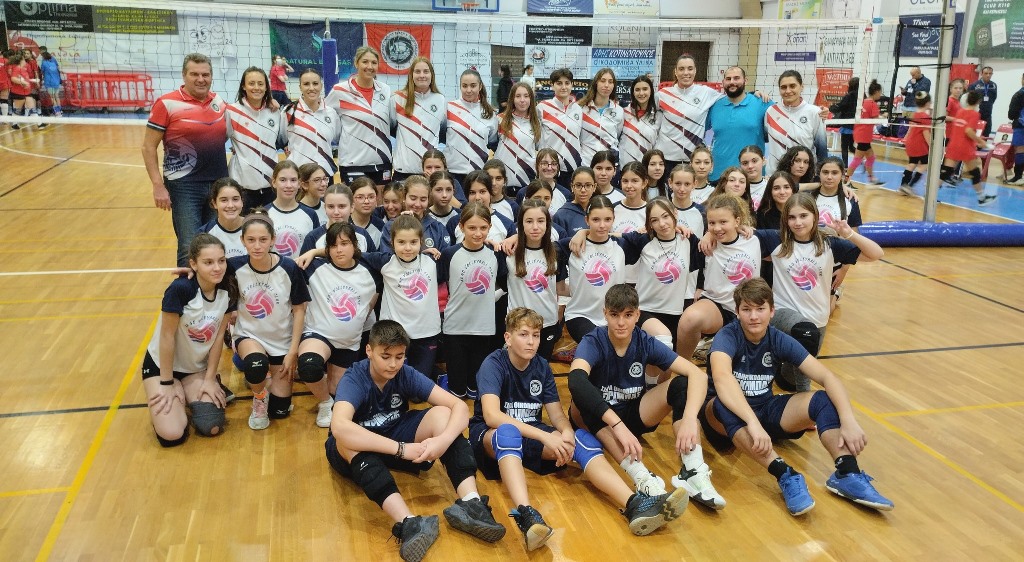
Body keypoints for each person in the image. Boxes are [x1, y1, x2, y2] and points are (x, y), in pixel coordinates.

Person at [703, 278, 894, 516]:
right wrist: (752, 422)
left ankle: (847, 472)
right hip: (722, 420)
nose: (754, 316)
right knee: (722, 404)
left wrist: (848, 420)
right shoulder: (727, 336)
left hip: (764, 409)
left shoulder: (777, 338)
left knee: (822, 399)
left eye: (760, 309)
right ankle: (785, 474)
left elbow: (827, 376)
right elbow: (722, 379)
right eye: (747, 309)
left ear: (772, 311)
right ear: (737, 312)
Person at [324, 320, 506, 562]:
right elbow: (339, 426)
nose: (393, 364)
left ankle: (471, 503)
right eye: (385, 356)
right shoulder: (355, 378)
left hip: (395, 433)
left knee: (443, 415)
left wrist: (442, 441)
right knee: (346, 439)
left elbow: (459, 407)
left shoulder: (405, 373)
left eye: (399, 357)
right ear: (369, 351)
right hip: (360, 448)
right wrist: (400, 449)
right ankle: (408, 523)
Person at [567, 284, 725, 512]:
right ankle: (642, 477)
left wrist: (691, 418)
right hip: (598, 419)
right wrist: (617, 425)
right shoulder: (593, 341)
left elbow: (697, 375)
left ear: (637, 315)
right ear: (605, 314)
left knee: (682, 384)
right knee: (584, 396)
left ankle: (692, 470)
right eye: (614, 315)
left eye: (628, 315)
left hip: (630, 414)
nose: (621, 322)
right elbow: (576, 381)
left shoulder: (644, 341)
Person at [769, 193, 883, 392]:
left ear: (815, 216)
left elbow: (876, 254)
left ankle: (780, 367)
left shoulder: (830, 244)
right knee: (805, 333)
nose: (797, 222)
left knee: (790, 379)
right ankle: (806, 397)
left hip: (817, 318)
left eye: (803, 216)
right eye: (792, 217)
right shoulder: (776, 240)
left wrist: (849, 234)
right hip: (781, 312)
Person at [143, 234, 235, 447]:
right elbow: (166, 337)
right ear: (193, 264)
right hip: (162, 367)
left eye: (221, 261)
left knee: (211, 425)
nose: (217, 268)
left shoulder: (228, 288)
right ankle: (169, 395)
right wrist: (167, 383)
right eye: (208, 262)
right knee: (172, 433)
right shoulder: (181, 289)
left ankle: (189, 390)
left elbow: (218, 338)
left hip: (194, 368)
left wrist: (210, 378)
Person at [143, 53, 229, 267]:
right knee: (189, 245)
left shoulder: (218, 102)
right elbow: (148, 147)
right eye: (194, 74)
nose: (201, 79)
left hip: (218, 184)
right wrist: (158, 186)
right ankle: (187, 288)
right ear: (184, 75)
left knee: (215, 243)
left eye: (205, 75)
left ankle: (213, 287)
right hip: (184, 186)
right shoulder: (166, 103)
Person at [229, 211, 311, 430]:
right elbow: (206, 269)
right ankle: (259, 396)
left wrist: (293, 351)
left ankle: (269, 390)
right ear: (242, 241)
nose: (257, 246)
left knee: (280, 411)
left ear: (273, 240)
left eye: (263, 239)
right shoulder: (234, 267)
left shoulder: (289, 268)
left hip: (281, 340)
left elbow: (299, 310)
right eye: (251, 240)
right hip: (250, 336)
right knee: (255, 365)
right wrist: (189, 271)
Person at [300, 221, 383, 428]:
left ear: (354, 245)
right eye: (333, 245)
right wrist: (313, 252)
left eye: (344, 244)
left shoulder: (371, 270)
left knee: (340, 395)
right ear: (327, 249)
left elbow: (374, 297)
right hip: (318, 334)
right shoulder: (314, 267)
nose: (339, 250)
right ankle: (324, 403)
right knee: (309, 366)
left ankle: (330, 398)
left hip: (349, 342)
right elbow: (282, 267)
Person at [362, 214, 443, 378]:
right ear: (392, 242)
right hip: (394, 334)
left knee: (418, 386)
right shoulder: (385, 262)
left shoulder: (433, 261)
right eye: (401, 242)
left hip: (426, 334)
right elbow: (352, 253)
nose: (407, 248)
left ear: (421, 241)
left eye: (413, 242)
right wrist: (314, 252)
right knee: (392, 380)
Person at [326, 47, 394, 185]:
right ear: (356, 63)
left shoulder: (385, 90)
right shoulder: (339, 91)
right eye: (365, 62)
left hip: (382, 161)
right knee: (356, 198)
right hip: (353, 162)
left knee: (381, 199)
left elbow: (393, 121)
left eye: (374, 63)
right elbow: (323, 114)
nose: (370, 66)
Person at [506, 199, 562, 360]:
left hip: (547, 323)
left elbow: (585, 235)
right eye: (529, 221)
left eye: (541, 221)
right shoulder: (509, 251)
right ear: (521, 224)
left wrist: (581, 233)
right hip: (518, 324)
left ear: (548, 224)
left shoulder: (557, 250)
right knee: (518, 368)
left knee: (541, 368)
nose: (535, 227)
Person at [226, 66, 287, 211]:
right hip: (242, 187)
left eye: (260, 84)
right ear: (243, 86)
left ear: (266, 87)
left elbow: (282, 141)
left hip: (270, 186)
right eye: (251, 83)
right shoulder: (231, 111)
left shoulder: (274, 112)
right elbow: (221, 139)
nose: (256, 87)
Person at [655, 54, 723, 170]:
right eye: (681, 69)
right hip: (666, 159)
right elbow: (644, 108)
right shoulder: (662, 95)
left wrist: (753, 94)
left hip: (692, 160)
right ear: (676, 72)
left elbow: (732, 98)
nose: (686, 73)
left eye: (690, 69)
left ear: (695, 71)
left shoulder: (706, 93)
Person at [707, 66, 774, 182]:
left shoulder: (762, 103)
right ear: (723, 82)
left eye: (736, 78)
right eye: (728, 79)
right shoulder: (715, 106)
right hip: (719, 175)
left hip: (751, 175)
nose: (732, 82)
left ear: (745, 81)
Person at [390, 57, 446, 181]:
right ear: (411, 75)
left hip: (430, 173)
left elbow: (443, 133)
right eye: (417, 71)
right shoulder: (397, 98)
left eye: (426, 71)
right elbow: (391, 129)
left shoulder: (440, 99)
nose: (422, 75)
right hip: (404, 171)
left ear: (432, 75)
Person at [940, 91, 998, 206]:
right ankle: (981, 198)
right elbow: (968, 131)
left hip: (954, 144)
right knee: (975, 172)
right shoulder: (974, 114)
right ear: (978, 102)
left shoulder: (960, 111)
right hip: (965, 147)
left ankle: (929, 194)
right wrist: (981, 142)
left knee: (947, 171)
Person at [284, 68, 342, 185]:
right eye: (306, 84)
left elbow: (338, 138)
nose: (311, 88)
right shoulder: (288, 111)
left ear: (321, 86)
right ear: (300, 87)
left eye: (315, 83)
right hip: (299, 177)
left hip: (325, 176)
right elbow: (281, 140)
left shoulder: (331, 113)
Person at [764, 70, 828, 174]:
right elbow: (765, 137)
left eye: (792, 86)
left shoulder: (815, 112)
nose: (788, 91)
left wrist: (820, 175)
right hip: (775, 175)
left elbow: (822, 150)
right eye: (783, 87)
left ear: (802, 87)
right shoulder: (771, 111)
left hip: (803, 176)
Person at [444, 69, 499, 187]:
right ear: (460, 86)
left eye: (473, 86)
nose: (468, 90)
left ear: (480, 86)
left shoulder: (490, 113)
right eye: (464, 86)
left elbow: (493, 143)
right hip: (452, 173)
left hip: (478, 174)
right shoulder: (449, 108)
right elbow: (440, 137)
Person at [537, 68, 584, 188]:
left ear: (572, 85)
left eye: (567, 83)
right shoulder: (542, 107)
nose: (563, 87)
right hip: (549, 168)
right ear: (552, 86)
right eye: (559, 83)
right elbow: (535, 138)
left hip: (572, 169)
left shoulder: (578, 109)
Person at [264, 160, 321, 259]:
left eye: (293, 180)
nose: (288, 185)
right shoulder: (264, 214)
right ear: (274, 182)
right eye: (283, 180)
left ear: (299, 183)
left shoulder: (310, 214)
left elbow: (316, 249)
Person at [494, 82, 541, 193]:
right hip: (502, 183)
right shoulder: (499, 119)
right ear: (512, 99)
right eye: (518, 96)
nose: (522, 100)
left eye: (526, 96)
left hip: (527, 182)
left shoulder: (536, 122)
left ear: (531, 99)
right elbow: (492, 144)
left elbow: (539, 148)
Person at [578, 68, 623, 168]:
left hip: (609, 166)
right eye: (603, 81)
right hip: (586, 164)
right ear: (596, 83)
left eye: (610, 82)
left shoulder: (619, 111)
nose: (606, 85)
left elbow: (618, 136)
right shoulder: (581, 108)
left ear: (614, 85)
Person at [846, 80, 885, 186]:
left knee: (871, 157)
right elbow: (876, 121)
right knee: (857, 159)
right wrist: (884, 117)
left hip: (860, 133)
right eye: (880, 92)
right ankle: (846, 180)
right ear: (876, 92)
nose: (880, 95)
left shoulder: (863, 102)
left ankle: (871, 179)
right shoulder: (872, 104)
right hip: (864, 135)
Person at [200, 178, 248, 259]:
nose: (230, 205)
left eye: (235, 199)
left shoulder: (256, 227)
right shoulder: (205, 233)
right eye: (224, 200)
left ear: (242, 201)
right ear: (214, 203)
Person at [620, 75, 660, 166]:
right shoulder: (623, 113)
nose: (641, 93)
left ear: (651, 91)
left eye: (645, 89)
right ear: (633, 92)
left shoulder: (658, 116)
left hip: (647, 167)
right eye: (637, 90)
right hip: (625, 167)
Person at [899, 92, 932, 196]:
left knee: (912, 163)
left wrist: (905, 138)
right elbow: (926, 133)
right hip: (919, 144)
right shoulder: (925, 116)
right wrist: (932, 146)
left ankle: (903, 186)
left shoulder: (915, 114)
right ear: (928, 103)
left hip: (911, 142)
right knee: (924, 164)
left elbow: (911, 128)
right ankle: (910, 186)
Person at [552, 166, 598, 236]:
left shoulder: (600, 210)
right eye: (578, 185)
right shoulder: (561, 216)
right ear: (572, 187)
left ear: (594, 187)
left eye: (588, 185)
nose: (583, 190)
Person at [830, 77, 860, 166]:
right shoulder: (862, 96)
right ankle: (862, 158)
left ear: (851, 85)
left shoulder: (849, 96)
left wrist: (831, 107)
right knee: (851, 147)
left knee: (844, 147)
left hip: (847, 125)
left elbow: (840, 107)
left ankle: (845, 166)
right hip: (856, 125)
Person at [967, 66, 997, 137]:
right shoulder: (974, 85)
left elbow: (994, 98)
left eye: (990, 73)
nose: (988, 75)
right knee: (976, 134)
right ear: (981, 73)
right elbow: (969, 100)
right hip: (977, 114)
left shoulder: (993, 85)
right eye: (986, 73)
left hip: (988, 115)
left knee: (986, 134)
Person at [1007, 73, 1024, 185]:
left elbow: (1011, 114)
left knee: (1020, 149)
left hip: (1020, 126)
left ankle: (1018, 176)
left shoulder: (1019, 94)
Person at [39, 51, 61, 118]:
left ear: (43, 57)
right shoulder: (53, 63)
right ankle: (60, 111)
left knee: (52, 97)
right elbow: (58, 70)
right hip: (56, 81)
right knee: (57, 96)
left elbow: (42, 71)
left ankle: (57, 112)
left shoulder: (44, 63)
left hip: (49, 82)